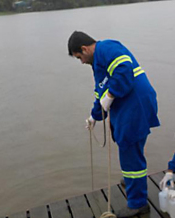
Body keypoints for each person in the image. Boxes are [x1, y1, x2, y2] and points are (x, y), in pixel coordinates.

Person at [68, 31, 160, 217]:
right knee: (130, 151)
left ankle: (137, 203)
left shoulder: (107, 48)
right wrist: (94, 116)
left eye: (80, 57)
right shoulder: (97, 63)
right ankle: (133, 181)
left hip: (135, 106)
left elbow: (124, 71)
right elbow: (100, 93)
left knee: (130, 153)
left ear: (85, 48)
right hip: (127, 107)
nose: (81, 62)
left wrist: (110, 96)